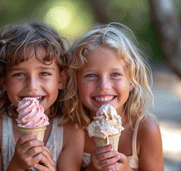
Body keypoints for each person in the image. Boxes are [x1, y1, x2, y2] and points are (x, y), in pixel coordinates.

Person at [0, 22, 85, 171]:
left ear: (61, 79)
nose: (32, 85)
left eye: (44, 73)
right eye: (19, 74)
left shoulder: (71, 132)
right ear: (4, 82)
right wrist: (16, 166)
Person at [65, 23, 164, 171]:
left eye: (115, 74)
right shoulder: (72, 128)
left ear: (132, 80)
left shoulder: (145, 130)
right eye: (91, 75)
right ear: (75, 82)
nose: (104, 85)